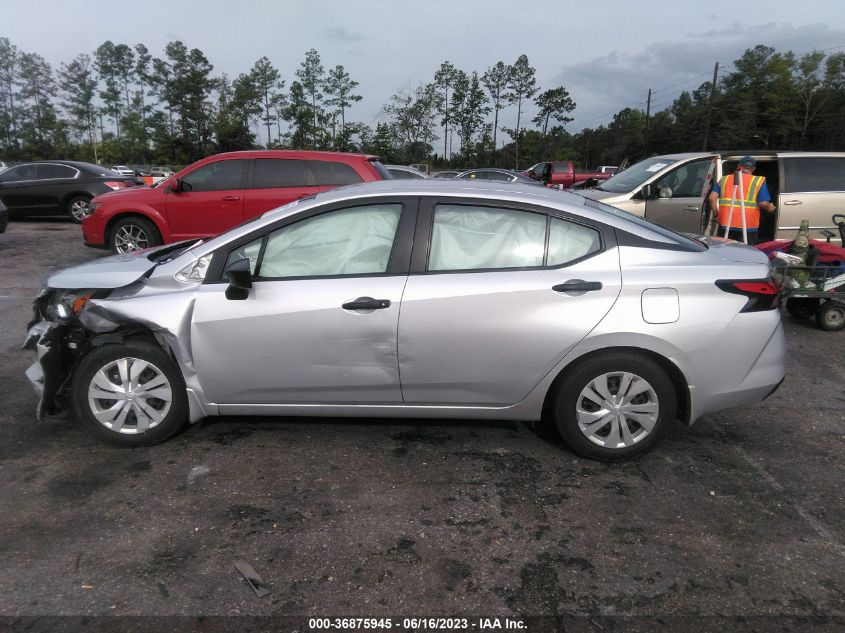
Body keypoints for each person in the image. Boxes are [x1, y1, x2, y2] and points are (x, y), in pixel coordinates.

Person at [708, 156, 776, 245]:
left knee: (725, 251)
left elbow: (711, 198)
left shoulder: (724, 179)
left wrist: (717, 214)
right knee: (746, 253)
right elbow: (763, 203)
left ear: (739, 166)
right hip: (748, 226)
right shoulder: (758, 181)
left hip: (726, 224)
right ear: (754, 168)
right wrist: (770, 208)